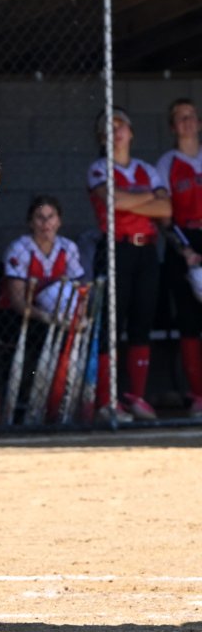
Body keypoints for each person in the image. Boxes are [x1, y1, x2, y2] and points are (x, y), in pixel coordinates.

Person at [88, 106, 171, 422]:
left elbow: (166, 208)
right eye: (109, 127)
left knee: (142, 321)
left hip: (147, 251)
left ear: (131, 132)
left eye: (121, 125)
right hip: (116, 250)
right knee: (113, 324)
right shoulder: (99, 168)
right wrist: (146, 199)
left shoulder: (146, 170)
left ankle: (136, 397)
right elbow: (113, 201)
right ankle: (108, 401)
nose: (116, 131)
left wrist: (133, 198)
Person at [0, 194, 85, 422]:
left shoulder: (68, 248)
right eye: (39, 218)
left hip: (56, 315)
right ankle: (22, 410)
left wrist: (79, 316)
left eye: (51, 217)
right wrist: (46, 317)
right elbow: (17, 302)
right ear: (31, 222)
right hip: (21, 315)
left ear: (59, 221)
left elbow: (79, 292)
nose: (46, 224)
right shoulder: (20, 248)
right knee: (36, 339)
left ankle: (62, 407)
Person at [156, 98, 202, 416]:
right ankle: (198, 396)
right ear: (173, 127)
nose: (186, 122)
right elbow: (162, 216)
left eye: (191, 117)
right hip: (183, 245)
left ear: (199, 123)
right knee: (189, 323)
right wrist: (183, 249)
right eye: (179, 118)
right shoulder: (166, 163)